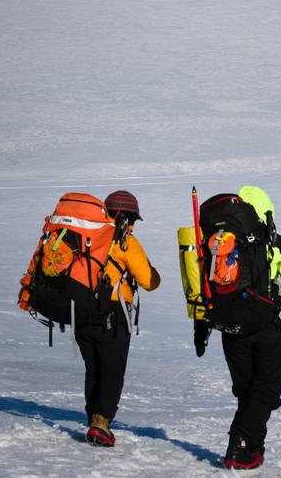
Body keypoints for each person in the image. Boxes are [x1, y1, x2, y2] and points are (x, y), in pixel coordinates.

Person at [193, 186, 281, 470]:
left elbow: (204, 289)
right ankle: (240, 443)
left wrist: (201, 330)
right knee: (266, 390)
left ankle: (253, 448)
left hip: (229, 328)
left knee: (247, 391)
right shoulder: (272, 243)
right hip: (266, 325)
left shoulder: (214, 245)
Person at [77, 190, 161, 447]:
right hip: (112, 315)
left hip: (80, 314)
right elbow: (149, 281)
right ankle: (100, 424)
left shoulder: (84, 238)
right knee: (111, 371)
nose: (134, 225)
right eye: (133, 220)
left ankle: (93, 418)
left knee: (94, 369)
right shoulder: (125, 241)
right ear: (127, 218)